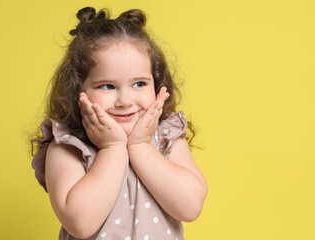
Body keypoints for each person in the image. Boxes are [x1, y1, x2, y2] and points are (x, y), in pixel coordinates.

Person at [30, 6, 208, 240]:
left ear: (156, 84)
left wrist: (141, 146)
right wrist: (112, 148)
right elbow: (80, 223)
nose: (125, 101)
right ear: (77, 91)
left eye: (139, 84)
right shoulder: (69, 145)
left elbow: (191, 206)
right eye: (107, 86)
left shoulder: (165, 135)